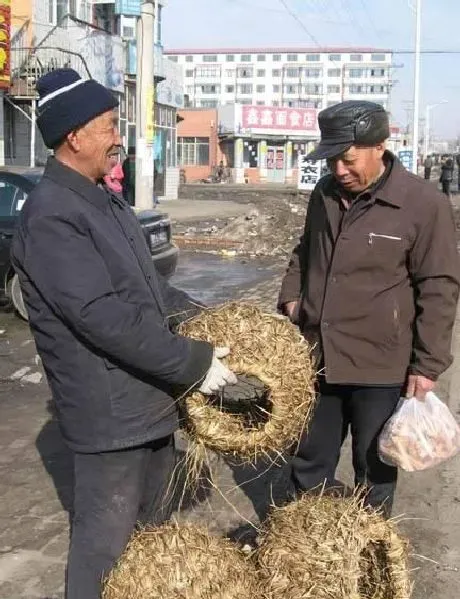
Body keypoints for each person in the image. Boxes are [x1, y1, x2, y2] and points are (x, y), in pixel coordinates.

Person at [11, 68, 237, 599]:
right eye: (111, 125)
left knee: (150, 545)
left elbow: (153, 295)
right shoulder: (52, 217)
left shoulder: (104, 202)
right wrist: (193, 363)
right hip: (110, 420)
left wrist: (210, 324)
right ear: (75, 135)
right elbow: (102, 316)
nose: (119, 137)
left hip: (150, 403)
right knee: (104, 549)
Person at [278, 100, 460, 518]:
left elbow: (439, 287)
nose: (339, 171)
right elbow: (305, 251)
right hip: (319, 356)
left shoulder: (422, 204)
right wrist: (292, 298)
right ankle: (307, 546)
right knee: (309, 460)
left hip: (380, 365)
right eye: (331, 161)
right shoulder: (324, 195)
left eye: (347, 159)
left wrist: (427, 364)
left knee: (373, 467)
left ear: (380, 145)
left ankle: (371, 553)